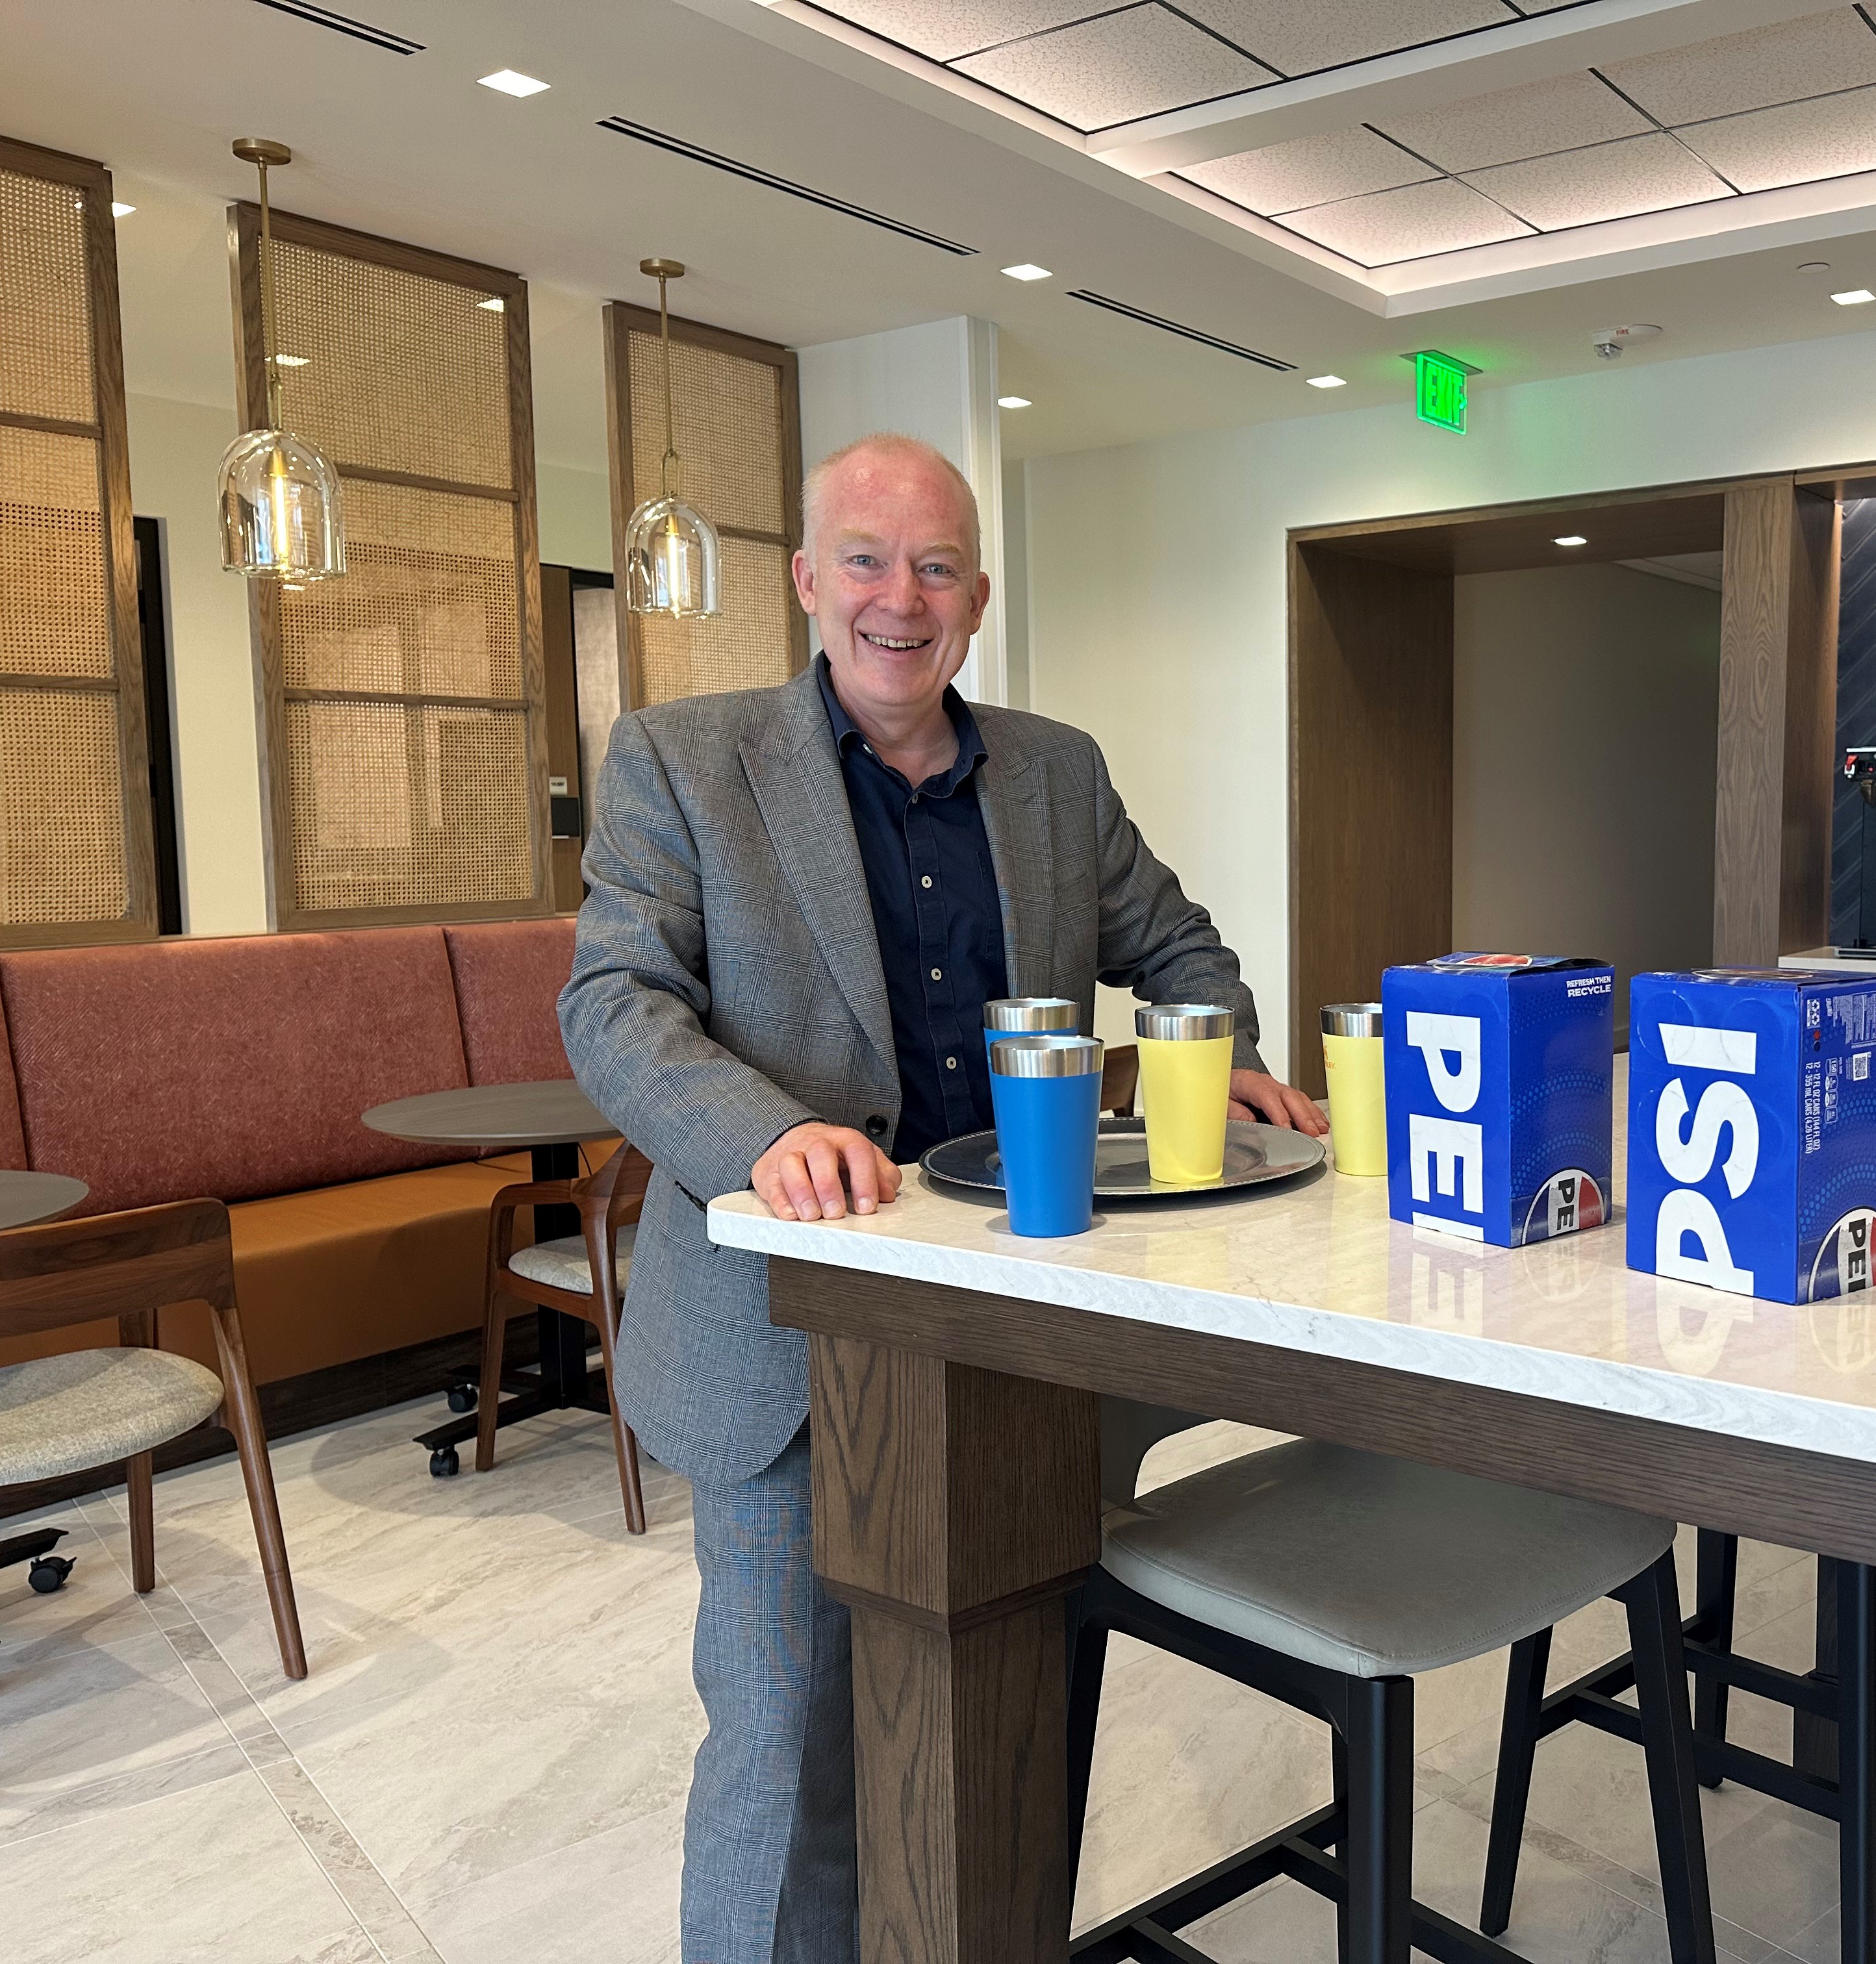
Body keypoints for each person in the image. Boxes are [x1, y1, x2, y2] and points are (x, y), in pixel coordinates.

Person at [559, 431, 1324, 1963]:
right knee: (785, 1742)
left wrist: (1220, 1054)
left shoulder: (1056, 772)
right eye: (865, 560)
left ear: (977, 598)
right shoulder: (681, 760)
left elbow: (1178, 945)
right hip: (790, 1327)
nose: (897, 599)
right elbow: (615, 1002)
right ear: (806, 580)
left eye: (935, 569)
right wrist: (764, 1135)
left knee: (1013, 1699)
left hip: (1021, 1318)